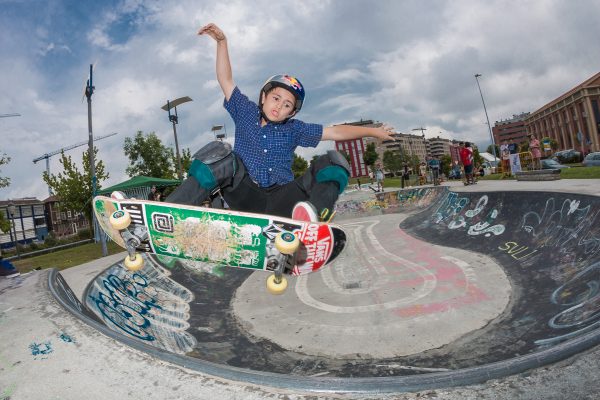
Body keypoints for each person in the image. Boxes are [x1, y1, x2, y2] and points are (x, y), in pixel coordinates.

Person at [166, 23, 395, 222]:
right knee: (221, 153)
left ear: (291, 113)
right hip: (245, 195)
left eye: (286, 105)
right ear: (264, 97)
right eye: (276, 98)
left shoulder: (295, 129)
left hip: (283, 201)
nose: (279, 106)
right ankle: (169, 211)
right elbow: (225, 80)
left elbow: (335, 132)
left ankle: (313, 217)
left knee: (334, 161)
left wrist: (373, 132)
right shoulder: (245, 111)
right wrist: (222, 42)